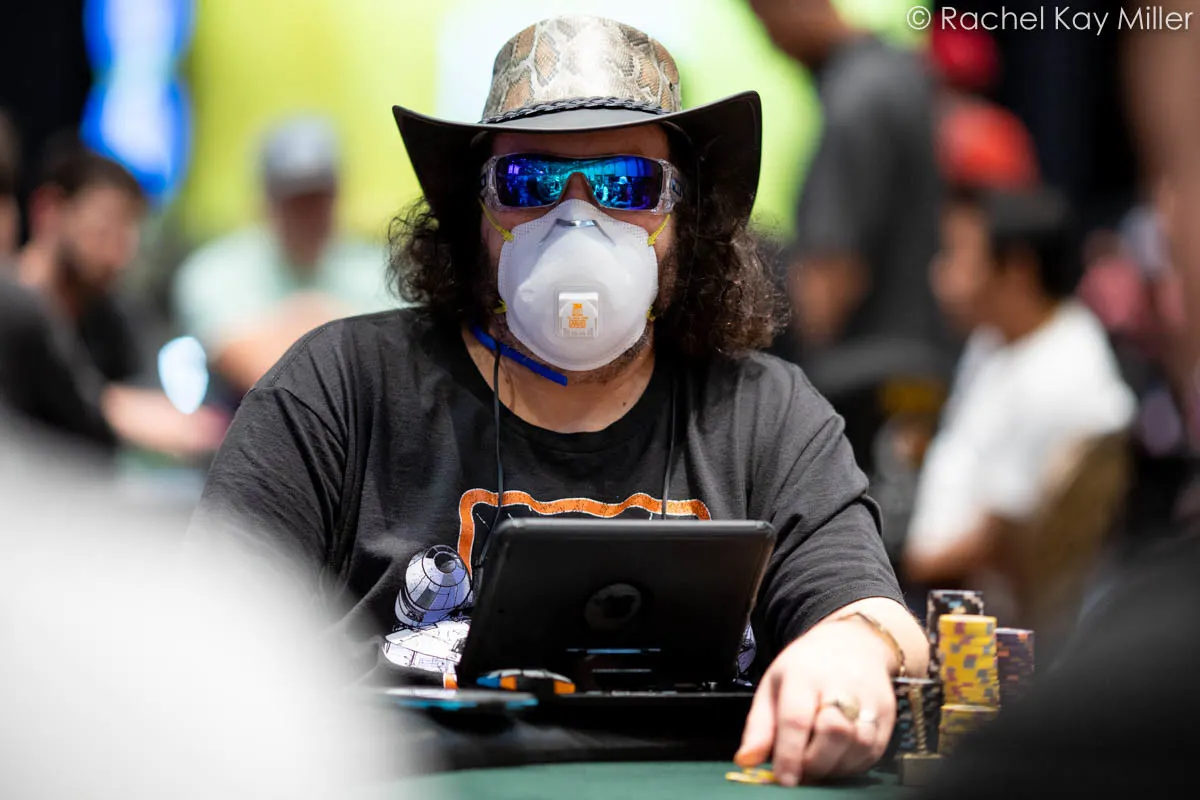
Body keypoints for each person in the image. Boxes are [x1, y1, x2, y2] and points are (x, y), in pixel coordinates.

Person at [192, 15, 929, 786]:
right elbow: (206, 629)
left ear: (685, 219)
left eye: (628, 185)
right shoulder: (342, 389)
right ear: (476, 215)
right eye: (528, 184)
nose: (577, 221)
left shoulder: (761, 413)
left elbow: (875, 614)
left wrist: (850, 651)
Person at [902, 187, 1135, 599]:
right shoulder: (993, 338)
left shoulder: (1063, 373)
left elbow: (997, 539)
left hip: (985, 616)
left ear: (1016, 271)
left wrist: (886, 562)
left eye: (959, 257)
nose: (941, 275)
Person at [748, 0, 949, 472]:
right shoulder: (900, 71)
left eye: (764, 18)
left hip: (865, 384)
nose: (770, 40)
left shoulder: (855, 99)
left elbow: (830, 279)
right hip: (922, 359)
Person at [0, 143, 224, 457]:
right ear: (48, 210)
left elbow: (160, 395)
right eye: (106, 224)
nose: (120, 250)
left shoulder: (113, 317)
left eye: (130, 230)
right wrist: (117, 408)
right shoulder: (13, 311)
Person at [172, 116, 396, 395]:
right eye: (295, 199)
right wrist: (333, 324)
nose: (308, 212)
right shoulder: (214, 270)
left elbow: (394, 366)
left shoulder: (379, 268)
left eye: (318, 197)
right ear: (267, 200)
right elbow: (253, 368)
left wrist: (287, 330)